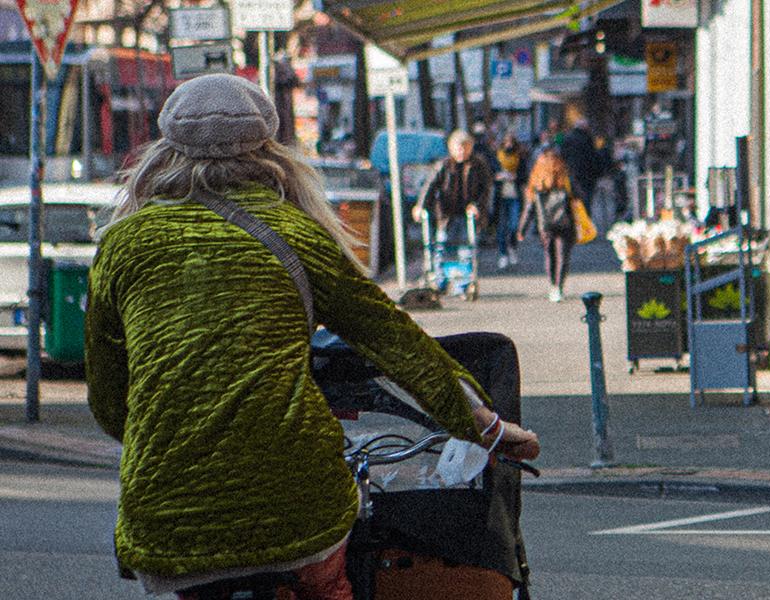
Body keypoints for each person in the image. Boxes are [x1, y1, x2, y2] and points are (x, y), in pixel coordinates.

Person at [83, 74, 541, 600]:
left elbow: (109, 400)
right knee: (325, 580)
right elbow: (398, 345)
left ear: (163, 150)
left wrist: (178, 439)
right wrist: (488, 426)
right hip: (295, 502)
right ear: (268, 150)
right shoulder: (297, 235)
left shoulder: (122, 245)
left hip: (166, 514)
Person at [416, 130, 494, 265]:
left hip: (468, 214)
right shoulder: (443, 165)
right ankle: (439, 277)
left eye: (466, 148)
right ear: (451, 149)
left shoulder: (478, 165)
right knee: (442, 246)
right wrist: (420, 206)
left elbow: (485, 189)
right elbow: (430, 186)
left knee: (466, 250)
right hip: (447, 214)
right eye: (458, 148)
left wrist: (477, 205)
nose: (462, 152)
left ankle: (463, 281)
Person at [520, 148, 579, 302]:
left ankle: (553, 285)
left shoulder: (536, 183)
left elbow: (529, 208)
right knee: (562, 256)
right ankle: (559, 287)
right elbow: (579, 196)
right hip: (566, 223)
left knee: (550, 254)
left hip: (545, 225)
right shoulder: (565, 180)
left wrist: (522, 229)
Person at [494, 133, 527, 268]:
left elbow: (525, 175)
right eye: (506, 142)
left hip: (515, 196)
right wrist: (498, 177)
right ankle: (503, 254)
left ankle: (512, 248)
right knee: (501, 227)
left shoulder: (520, 158)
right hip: (500, 197)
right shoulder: (497, 157)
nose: (509, 145)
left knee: (514, 226)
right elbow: (490, 174)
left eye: (511, 142)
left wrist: (516, 177)